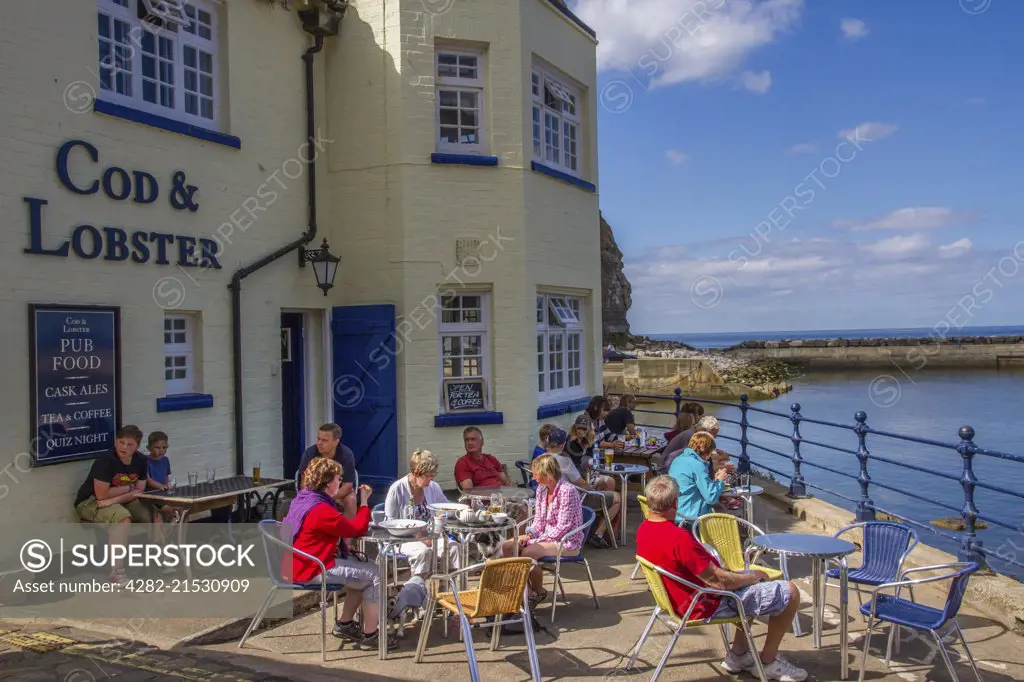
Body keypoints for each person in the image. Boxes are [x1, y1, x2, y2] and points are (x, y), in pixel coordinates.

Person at [636, 476, 806, 681]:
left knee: (752, 586)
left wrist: (744, 578)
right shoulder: (678, 538)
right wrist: (752, 577)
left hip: (678, 599)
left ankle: (739, 654)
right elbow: (719, 582)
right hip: (706, 603)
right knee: (790, 592)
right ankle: (768, 661)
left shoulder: (644, 530)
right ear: (674, 502)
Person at [283, 457, 396, 651]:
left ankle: (344, 624)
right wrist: (363, 502)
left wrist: (338, 548)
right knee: (374, 574)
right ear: (327, 483)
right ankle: (371, 635)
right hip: (311, 568)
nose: (341, 483)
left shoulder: (303, 498)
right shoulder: (321, 509)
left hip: (297, 561)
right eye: (338, 479)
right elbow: (355, 528)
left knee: (362, 568)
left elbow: (311, 535)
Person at [499, 454, 583, 611]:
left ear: (548, 473)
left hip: (567, 540)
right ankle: (529, 593)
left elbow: (563, 527)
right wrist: (529, 534)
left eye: (536, 473)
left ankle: (536, 591)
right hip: (547, 537)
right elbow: (539, 521)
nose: (533, 477)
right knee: (508, 546)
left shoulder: (567, 491)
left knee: (527, 552)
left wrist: (532, 541)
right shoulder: (542, 490)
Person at [73, 424, 155, 584]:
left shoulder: (141, 460)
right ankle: (117, 572)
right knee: (122, 517)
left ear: (137, 446)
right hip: (90, 501)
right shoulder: (105, 460)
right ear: (116, 442)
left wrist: (116, 497)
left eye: (129, 444)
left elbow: (140, 490)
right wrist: (128, 488)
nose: (124, 447)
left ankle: (156, 563)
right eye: (121, 442)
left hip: (122, 499)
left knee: (153, 514)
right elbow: (102, 495)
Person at [383, 448, 460, 579]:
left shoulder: (433, 487)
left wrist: (445, 514)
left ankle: (446, 591)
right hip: (403, 540)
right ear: (416, 472)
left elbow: (446, 507)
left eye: (432, 476)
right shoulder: (397, 489)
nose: (431, 480)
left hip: (431, 537)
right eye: (427, 476)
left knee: (453, 547)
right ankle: (417, 592)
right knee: (422, 552)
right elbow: (390, 524)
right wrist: (419, 537)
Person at [545, 428, 620, 548]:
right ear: (563, 444)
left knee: (603, 486)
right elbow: (581, 484)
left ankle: (593, 528)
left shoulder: (541, 459)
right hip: (573, 500)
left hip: (551, 499)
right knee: (616, 497)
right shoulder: (564, 461)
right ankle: (598, 534)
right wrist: (593, 488)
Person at [668, 431, 731, 527]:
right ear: (706, 452)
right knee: (723, 516)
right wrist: (720, 481)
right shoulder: (698, 465)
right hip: (690, 518)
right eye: (710, 454)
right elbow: (711, 498)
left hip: (675, 513)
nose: (708, 458)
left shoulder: (678, 460)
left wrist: (713, 480)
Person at [297, 424, 358, 520]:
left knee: (351, 500)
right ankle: (286, 535)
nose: (319, 443)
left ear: (336, 441)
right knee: (286, 506)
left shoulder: (346, 454)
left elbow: (348, 486)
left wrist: (331, 497)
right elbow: (304, 484)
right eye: (318, 439)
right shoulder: (310, 453)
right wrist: (318, 498)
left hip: (338, 493)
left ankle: (347, 532)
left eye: (324, 440)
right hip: (313, 494)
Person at [662, 402, 706, 469]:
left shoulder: (678, 433)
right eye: (700, 414)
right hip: (673, 465)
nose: (703, 417)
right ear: (692, 418)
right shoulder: (689, 434)